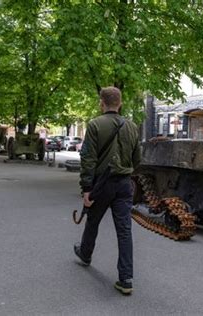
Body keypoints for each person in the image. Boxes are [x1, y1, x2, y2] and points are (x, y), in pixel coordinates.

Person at [74, 87, 141, 295]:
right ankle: (126, 278)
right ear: (119, 103)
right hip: (124, 184)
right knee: (124, 230)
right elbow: (137, 158)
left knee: (93, 221)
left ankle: (85, 254)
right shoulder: (132, 126)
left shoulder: (95, 125)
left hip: (101, 184)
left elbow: (88, 158)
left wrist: (86, 188)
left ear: (101, 103)